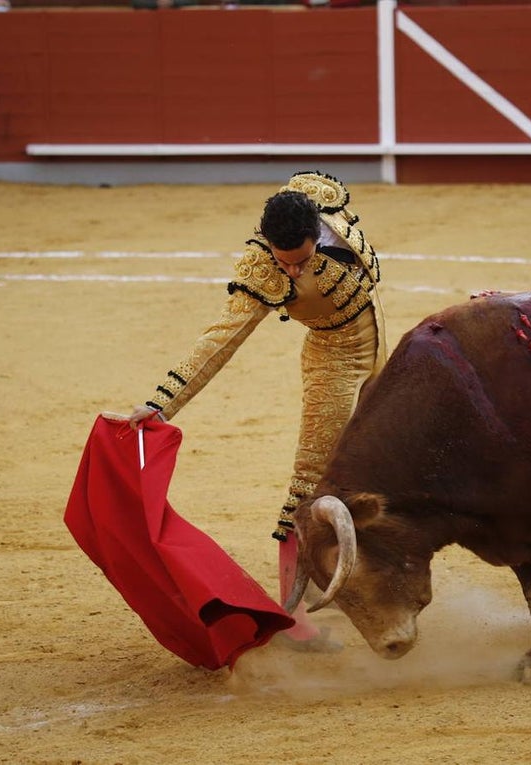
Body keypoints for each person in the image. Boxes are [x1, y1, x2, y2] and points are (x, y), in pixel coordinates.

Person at [125, 170, 386, 650]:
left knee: (382, 468)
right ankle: (295, 620)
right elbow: (218, 343)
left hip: (377, 347)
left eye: (300, 261)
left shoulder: (318, 199)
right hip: (331, 361)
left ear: (318, 229)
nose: (289, 272)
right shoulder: (260, 270)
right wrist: (162, 405)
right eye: (283, 263)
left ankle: (373, 579)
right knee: (308, 484)